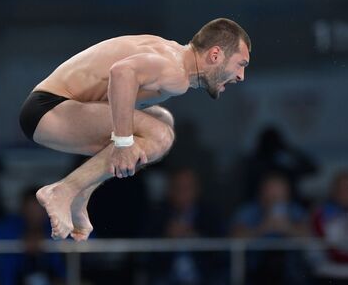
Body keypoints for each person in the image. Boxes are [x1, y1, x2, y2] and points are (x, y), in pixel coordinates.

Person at [19, 18, 252, 240]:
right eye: (240, 64)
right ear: (215, 54)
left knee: (163, 121)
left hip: (58, 108)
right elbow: (121, 72)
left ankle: (82, 191)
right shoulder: (175, 71)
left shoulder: (172, 54)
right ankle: (62, 191)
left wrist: (126, 140)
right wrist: (122, 142)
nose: (241, 76)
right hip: (49, 110)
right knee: (158, 135)